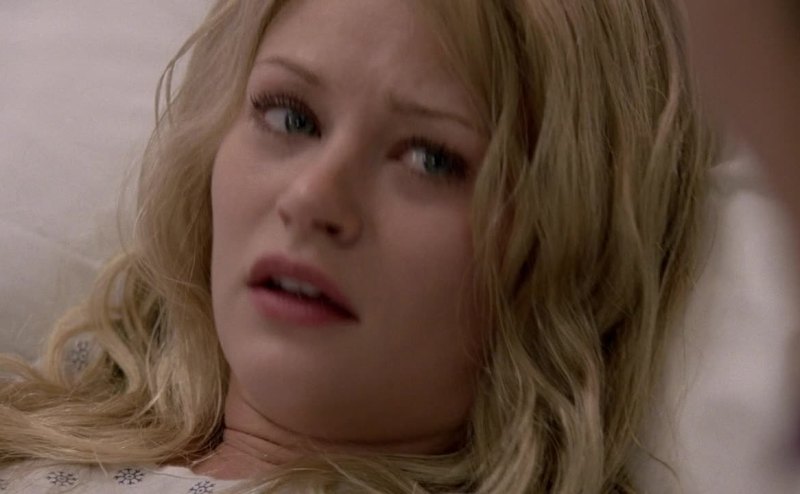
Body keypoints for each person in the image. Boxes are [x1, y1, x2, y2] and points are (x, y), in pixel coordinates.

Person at [0, 0, 716, 492]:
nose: (313, 197)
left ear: (564, 243)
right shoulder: (34, 425)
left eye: (430, 159)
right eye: (291, 116)